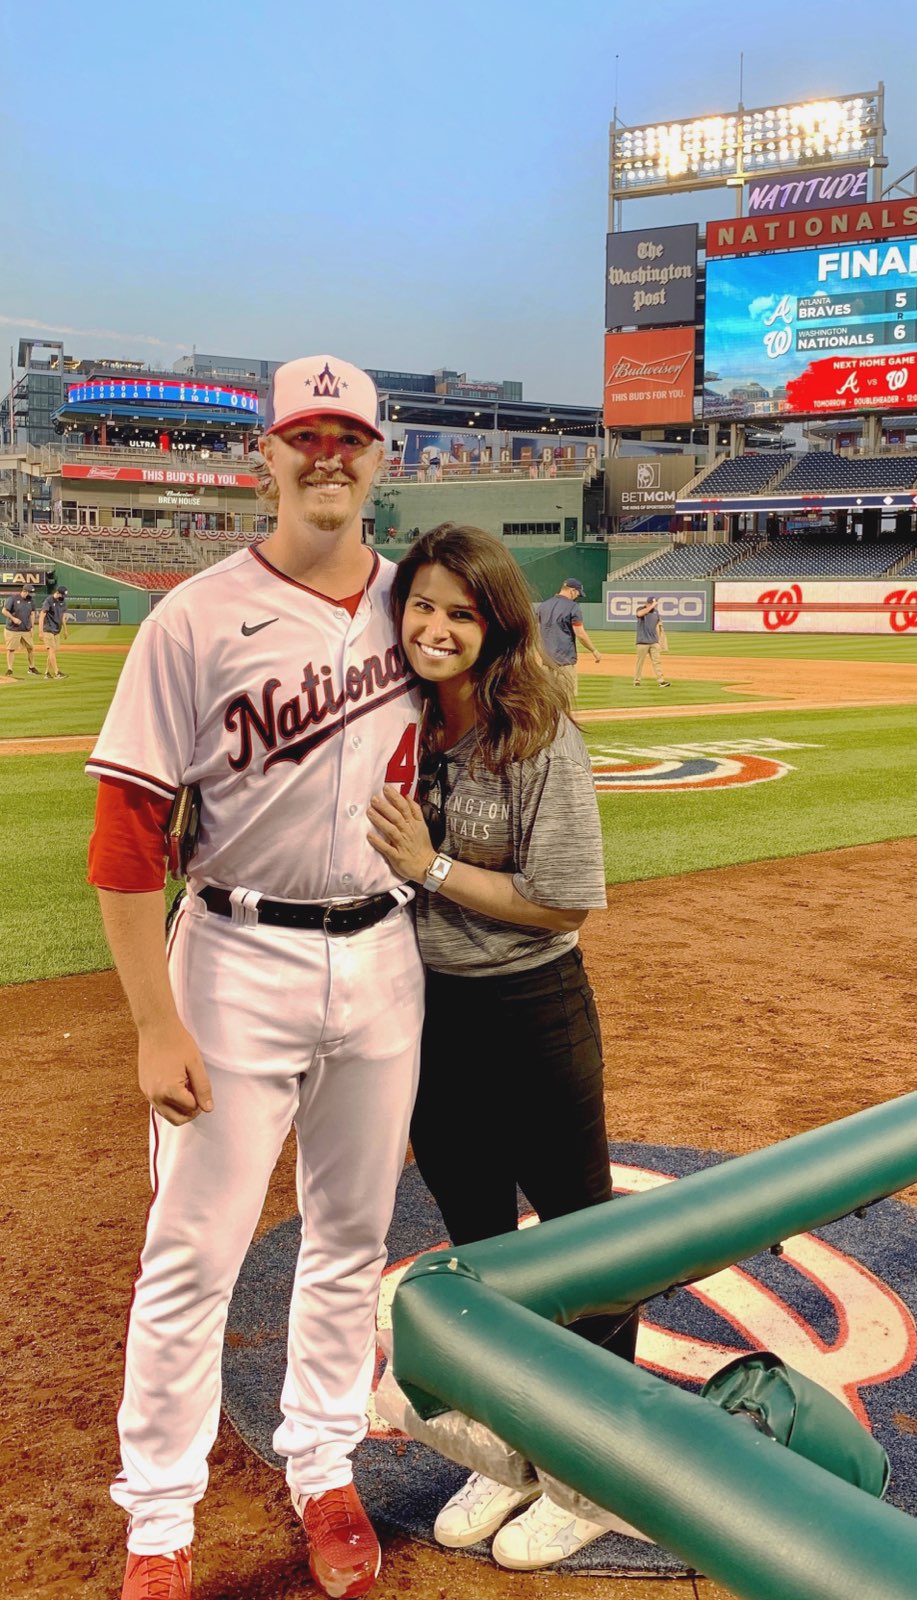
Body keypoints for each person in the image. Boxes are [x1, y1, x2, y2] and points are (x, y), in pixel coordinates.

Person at [86, 355, 425, 1600]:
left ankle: (322, 1461)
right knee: (195, 1248)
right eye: (305, 436)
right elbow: (126, 837)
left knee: (349, 1232)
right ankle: (161, 1523)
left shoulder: (417, 608)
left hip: (383, 954)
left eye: (349, 436)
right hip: (232, 956)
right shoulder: (193, 615)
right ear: (267, 457)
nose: (326, 455)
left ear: (379, 458)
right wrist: (151, 1021)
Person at [366, 523, 635, 1572]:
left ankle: (592, 1469)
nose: (435, 627)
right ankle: (509, 1445)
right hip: (424, 1012)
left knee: (581, 1238)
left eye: (459, 611)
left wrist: (431, 870)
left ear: (496, 623)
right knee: (476, 1240)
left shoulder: (535, 731)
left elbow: (563, 898)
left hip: (530, 1008)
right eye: (421, 605)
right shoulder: (396, 721)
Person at [535, 577, 600, 697]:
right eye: (577, 594)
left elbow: (536, 634)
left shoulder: (542, 606)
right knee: (565, 703)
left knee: (548, 704)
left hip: (546, 664)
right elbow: (580, 634)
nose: (577, 597)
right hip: (564, 663)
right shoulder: (572, 607)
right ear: (572, 591)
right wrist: (594, 650)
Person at [632, 596, 670, 687]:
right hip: (642, 642)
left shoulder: (656, 613)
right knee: (640, 662)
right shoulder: (641, 609)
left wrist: (658, 640)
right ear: (647, 603)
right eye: (651, 603)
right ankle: (637, 681)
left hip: (653, 642)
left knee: (657, 662)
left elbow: (657, 626)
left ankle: (661, 681)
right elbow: (639, 614)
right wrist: (650, 606)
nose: (654, 605)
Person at [3, 583, 40, 676]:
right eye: (30, 593)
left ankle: (31, 667)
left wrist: (31, 626)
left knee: (31, 648)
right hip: (12, 629)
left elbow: (32, 613)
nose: (31, 595)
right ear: (25, 591)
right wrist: (13, 618)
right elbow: (4, 611)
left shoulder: (31, 600)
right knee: (11, 649)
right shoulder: (13, 599)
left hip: (25, 629)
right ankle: (10, 669)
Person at [40, 586, 69, 678]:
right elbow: (42, 616)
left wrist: (65, 630)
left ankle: (47, 673)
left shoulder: (63, 602)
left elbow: (62, 617)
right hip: (48, 629)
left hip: (57, 630)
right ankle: (57, 673)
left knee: (52, 652)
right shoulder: (49, 600)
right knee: (51, 650)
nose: (63, 597)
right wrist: (41, 632)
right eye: (62, 594)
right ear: (58, 592)